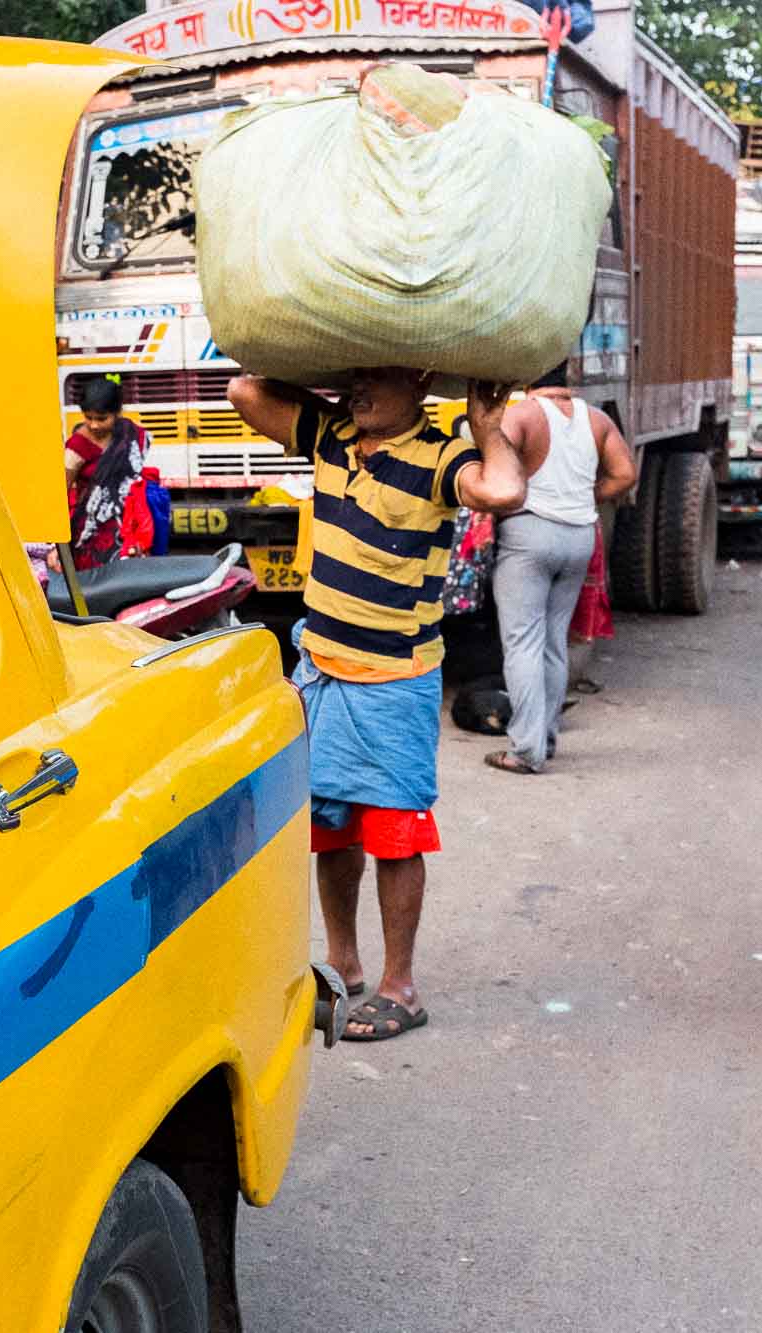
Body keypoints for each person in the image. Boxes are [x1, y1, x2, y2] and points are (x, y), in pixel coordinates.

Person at [229, 368, 527, 1041]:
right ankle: (343, 963)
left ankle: (402, 985)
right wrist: (318, 373)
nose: (359, 391)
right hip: (321, 668)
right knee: (331, 826)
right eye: (352, 376)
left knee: (394, 834)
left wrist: (484, 424)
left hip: (395, 679)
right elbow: (246, 393)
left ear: (417, 382)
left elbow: (505, 487)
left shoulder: (441, 453)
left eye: (375, 378)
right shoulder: (332, 433)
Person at [482, 366, 635, 775]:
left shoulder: (523, 414)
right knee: (553, 642)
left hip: (530, 534)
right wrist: (586, 496)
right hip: (579, 537)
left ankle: (526, 750)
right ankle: (546, 737)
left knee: (522, 643)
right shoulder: (597, 419)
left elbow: (494, 462)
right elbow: (625, 474)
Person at [64, 376, 154, 571]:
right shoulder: (76, 447)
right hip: (90, 537)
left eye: (102, 418)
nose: (94, 425)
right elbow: (60, 492)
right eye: (88, 417)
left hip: (130, 528)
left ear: (117, 413)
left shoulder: (130, 435)